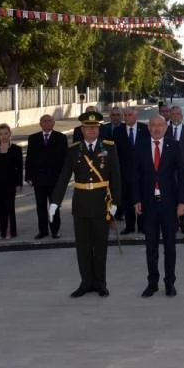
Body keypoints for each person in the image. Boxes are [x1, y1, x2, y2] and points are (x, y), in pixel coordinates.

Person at [51, 111, 121, 298]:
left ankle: (101, 283)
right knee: (82, 247)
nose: (91, 131)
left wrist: (116, 202)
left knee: (100, 246)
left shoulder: (109, 147)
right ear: (82, 129)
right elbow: (64, 176)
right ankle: (85, 282)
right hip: (81, 204)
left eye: (95, 128)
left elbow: (116, 178)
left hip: (101, 204)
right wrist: (54, 202)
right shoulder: (74, 149)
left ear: (99, 129)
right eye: (88, 128)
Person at [133, 116, 184, 297]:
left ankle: (170, 283)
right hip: (148, 205)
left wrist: (182, 202)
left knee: (170, 246)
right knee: (151, 247)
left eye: (160, 125)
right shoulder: (140, 146)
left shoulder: (173, 146)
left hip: (169, 205)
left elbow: (182, 176)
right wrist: (136, 200)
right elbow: (135, 177)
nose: (157, 129)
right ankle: (152, 282)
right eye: (153, 126)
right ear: (148, 128)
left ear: (166, 128)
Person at [26, 114, 69, 239]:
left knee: (54, 205)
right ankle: (43, 231)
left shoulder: (61, 138)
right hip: (39, 179)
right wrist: (28, 176)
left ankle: (55, 230)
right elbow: (29, 159)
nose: (46, 123)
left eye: (49, 121)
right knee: (40, 206)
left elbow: (65, 159)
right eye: (44, 121)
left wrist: (64, 177)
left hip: (55, 179)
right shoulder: (33, 138)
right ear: (40, 124)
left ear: (53, 123)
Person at [115, 107, 149, 235]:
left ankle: (142, 226)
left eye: (129, 115)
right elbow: (116, 153)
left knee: (142, 199)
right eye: (125, 115)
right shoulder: (118, 131)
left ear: (136, 116)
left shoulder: (145, 129)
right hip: (125, 173)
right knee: (128, 201)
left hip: (142, 173)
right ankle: (129, 226)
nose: (126, 117)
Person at [0, 124, 23, 239]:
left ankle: (10, 232)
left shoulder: (16, 149)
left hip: (11, 184)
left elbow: (20, 169)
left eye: (6, 133)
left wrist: (19, 184)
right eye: (1, 134)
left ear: (10, 134)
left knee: (9, 208)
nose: (4, 136)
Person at [166, 105, 184, 234]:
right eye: (173, 114)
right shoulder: (164, 130)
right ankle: (171, 223)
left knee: (183, 198)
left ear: (182, 116)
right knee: (169, 198)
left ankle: (183, 224)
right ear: (170, 116)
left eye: (178, 114)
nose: (176, 116)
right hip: (167, 173)